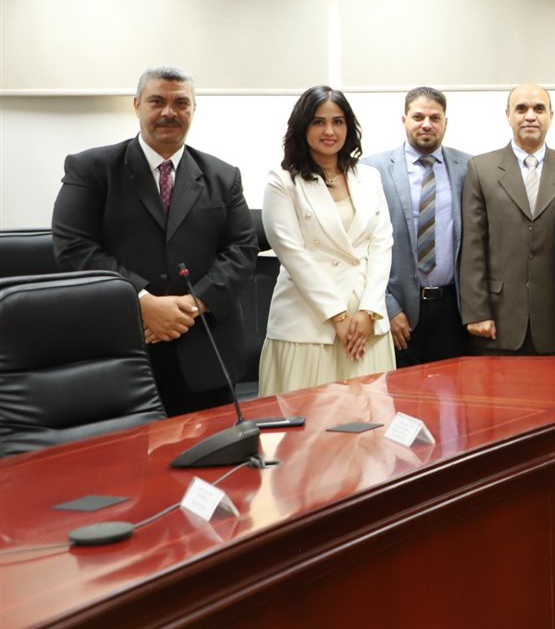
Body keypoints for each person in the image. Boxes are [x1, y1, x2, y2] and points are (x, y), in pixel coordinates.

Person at [51, 66, 256, 416]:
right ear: (137, 105)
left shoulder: (223, 176)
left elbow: (242, 250)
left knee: (214, 449)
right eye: (157, 101)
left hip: (206, 354)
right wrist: (142, 301)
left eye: (181, 103)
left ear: (193, 108)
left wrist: (192, 305)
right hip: (121, 351)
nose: (169, 112)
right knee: (123, 451)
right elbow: (73, 246)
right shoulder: (92, 169)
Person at [259, 86, 395, 394]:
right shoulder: (283, 181)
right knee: (308, 418)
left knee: (369, 417)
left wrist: (369, 310)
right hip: (309, 324)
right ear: (302, 127)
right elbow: (293, 255)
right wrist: (338, 316)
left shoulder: (369, 176)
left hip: (366, 324)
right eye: (318, 122)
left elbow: (382, 245)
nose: (330, 131)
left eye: (338, 122)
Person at [459, 82, 555, 355]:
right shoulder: (481, 168)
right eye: (521, 109)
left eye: (539, 109)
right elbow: (474, 245)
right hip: (498, 318)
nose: (530, 116)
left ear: (551, 116)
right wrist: (476, 311)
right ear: (508, 115)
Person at [363, 87, 470, 367]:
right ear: (404, 120)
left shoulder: (468, 167)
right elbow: (362, 248)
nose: (426, 124)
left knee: (450, 389)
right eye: (418, 116)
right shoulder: (372, 170)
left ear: (445, 122)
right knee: (398, 391)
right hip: (397, 310)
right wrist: (387, 308)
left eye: (435, 118)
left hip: (452, 310)